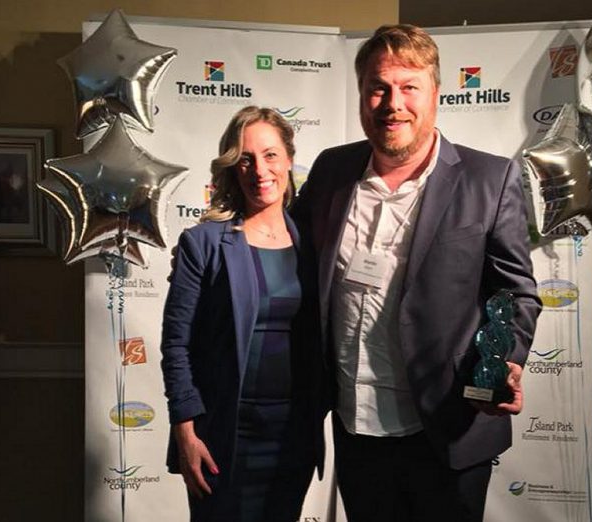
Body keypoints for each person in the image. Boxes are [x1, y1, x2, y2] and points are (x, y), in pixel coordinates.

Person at [291, 24, 541, 522]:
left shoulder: (489, 179)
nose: (392, 103)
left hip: (447, 427)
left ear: (435, 94)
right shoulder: (331, 172)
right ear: (362, 94)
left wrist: (506, 360)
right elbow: (290, 262)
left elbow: (517, 294)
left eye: (409, 87)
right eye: (378, 87)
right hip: (355, 424)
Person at [160, 106, 325, 522]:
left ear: (289, 159)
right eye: (245, 159)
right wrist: (185, 430)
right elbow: (175, 343)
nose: (259, 170)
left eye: (270, 155)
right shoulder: (204, 243)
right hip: (223, 434)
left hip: (292, 435)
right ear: (232, 168)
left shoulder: (315, 242)